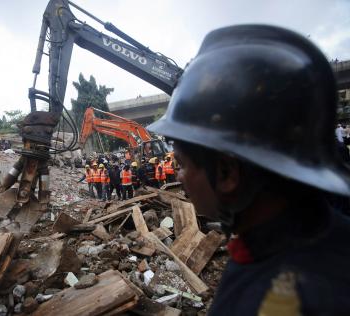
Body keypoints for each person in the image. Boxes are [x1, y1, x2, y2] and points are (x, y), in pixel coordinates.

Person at [147, 25, 350, 315]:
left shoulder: (267, 301)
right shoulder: (327, 236)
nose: (179, 177)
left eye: (182, 164)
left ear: (227, 172)